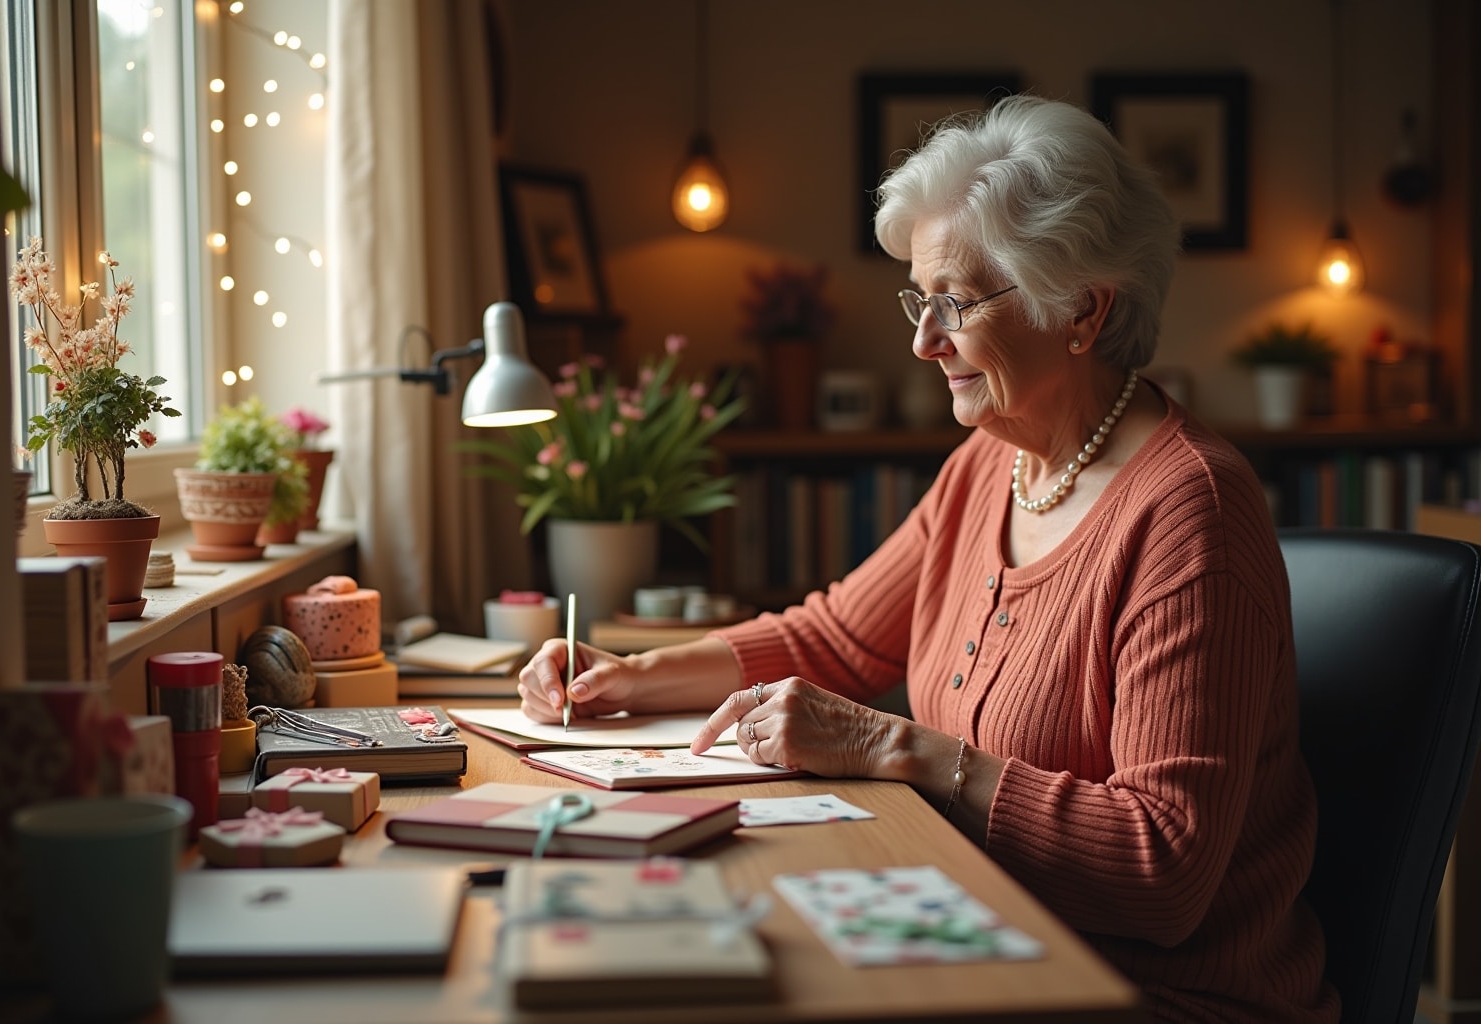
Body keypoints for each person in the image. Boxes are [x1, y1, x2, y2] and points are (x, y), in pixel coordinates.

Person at [518, 95, 1338, 1023]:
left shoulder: (1192, 515)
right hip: (973, 934)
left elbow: (1162, 869)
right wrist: (631, 676)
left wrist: (889, 744)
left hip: (1148, 995)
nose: (921, 339)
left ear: (1080, 310)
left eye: (955, 303)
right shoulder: (993, 464)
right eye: (921, 298)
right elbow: (832, 638)